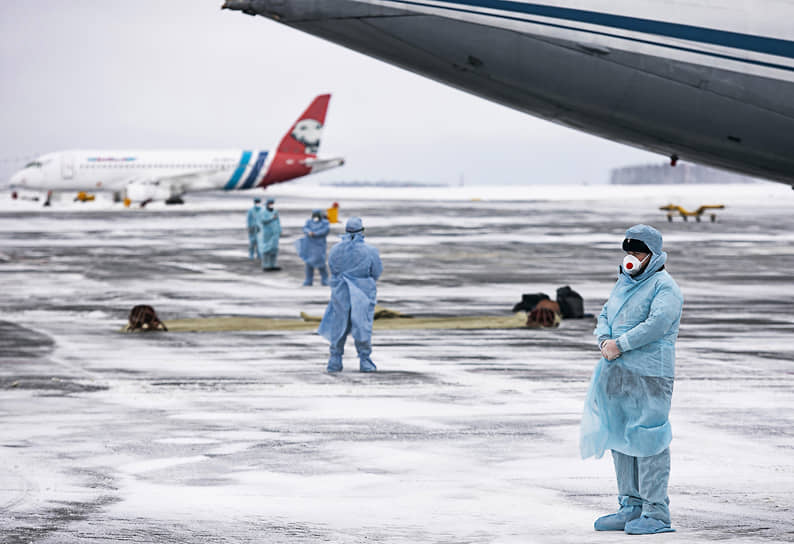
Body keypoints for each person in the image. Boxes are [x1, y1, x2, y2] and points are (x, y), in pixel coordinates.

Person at [580, 224, 683, 535]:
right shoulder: (623, 284)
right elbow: (604, 315)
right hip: (617, 372)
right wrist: (603, 340)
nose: (631, 259)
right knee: (620, 437)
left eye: (637, 253)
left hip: (650, 373)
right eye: (628, 252)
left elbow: (658, 323)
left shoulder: (665, 287)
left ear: (652, 255)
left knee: (649, 438)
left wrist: (620, 344)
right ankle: (631, 505)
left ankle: (656, 512)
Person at [317, 217, 383, 373]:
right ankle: (365, 360)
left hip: (341, 291)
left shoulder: (335, 250)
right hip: (363, 292)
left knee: (339, 324)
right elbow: (376, 271)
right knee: (362, 326)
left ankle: (335, 360)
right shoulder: (370, 251)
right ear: (362, 231)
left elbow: (332, 269)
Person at [296, 209, 330, 286]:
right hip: (310, 245)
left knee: (321, 263)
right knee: (309, 263)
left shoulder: (325, 222)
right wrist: (309, 232)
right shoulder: (309, 222)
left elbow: (326, 230)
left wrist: (315, 233)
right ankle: (308, 280)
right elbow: (305, 228)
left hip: (319, 245)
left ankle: (325, 280)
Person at [259, 197, 282, 271]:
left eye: (272, 203)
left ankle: (273, 265)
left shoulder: (275, 211)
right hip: (267, 233)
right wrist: (272, 218)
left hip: (275, 233)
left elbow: (278, 221)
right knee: (266, 249)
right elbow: (263, 221)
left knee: (274, 249)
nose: (271, 205)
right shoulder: (263, 212)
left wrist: (279, 230)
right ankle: (265, 265)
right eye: (270, 203)